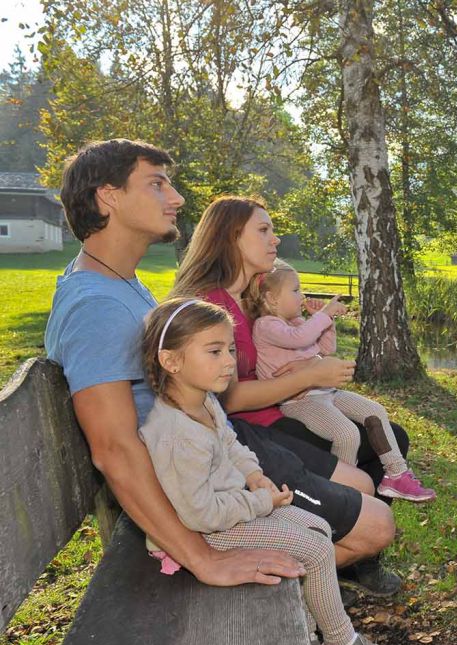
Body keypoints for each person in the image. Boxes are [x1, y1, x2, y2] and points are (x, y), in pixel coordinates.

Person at [43, 139, 301, 586]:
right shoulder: (96, 306)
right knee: (362, 529)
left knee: (336, 515)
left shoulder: (118, 283)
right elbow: (114, 449)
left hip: (205, 461)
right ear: (109, 196)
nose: (177, 198)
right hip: (187, 495)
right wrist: (203, 560)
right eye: (157, 184)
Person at [138, 297, 407, 645]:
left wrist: (253, 475)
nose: (230, 361)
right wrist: (260, 500)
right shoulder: (177, 435)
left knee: (316, 527)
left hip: (234, 505)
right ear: (171, 361)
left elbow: (232, 444)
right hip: (208, 530)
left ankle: (308, 639)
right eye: (214, 352)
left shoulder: (204, 403)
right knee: (312, 548)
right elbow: (200, 514)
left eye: (230, 349)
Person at [171, 196, 408, 595]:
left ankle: (348, 551)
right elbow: (226, 401)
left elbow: (275, 349)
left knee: (389, 436)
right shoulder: (209, 304)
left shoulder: (242, 297)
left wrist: (301, 317)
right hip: (249, 432)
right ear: (231, 238)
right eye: (263, 230)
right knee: (365, 473)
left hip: (269, 418)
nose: (275, 240)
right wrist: (308, 376)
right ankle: (337, 554)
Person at [249, 260, 435, 502]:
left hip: (326, 392)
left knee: (375, 411)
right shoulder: (265, 326)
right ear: (272, 299)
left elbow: (327, 348)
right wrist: (323, 315)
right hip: (300, 402)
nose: (301, 295)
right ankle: (342, 496)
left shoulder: (295, 323)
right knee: (346, 435)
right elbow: (299, 339)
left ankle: (396, 474)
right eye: (295, 290)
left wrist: (326, 322)